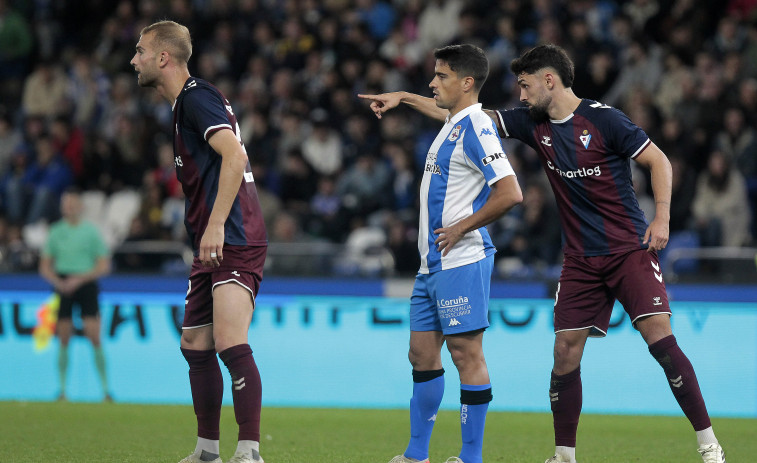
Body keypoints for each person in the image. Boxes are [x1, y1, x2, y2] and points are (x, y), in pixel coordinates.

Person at [359, 44, 726, 463]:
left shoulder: (604, 119)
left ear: (549, 80)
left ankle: (708, 444)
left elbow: (659, 161)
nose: (520, 95)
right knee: (565, 351)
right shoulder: (532, 123)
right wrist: (404, 99)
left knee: (659, 340)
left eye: (525, 85)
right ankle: (564, 455)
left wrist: (661, 219)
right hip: (580, 259)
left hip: (629, 250)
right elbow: (461, 118)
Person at [365, 44, 523, 463]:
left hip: (462, 257)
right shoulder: (457, 121)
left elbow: (510, 193)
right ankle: (417, 455)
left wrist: (461, 227)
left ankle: (471, 458)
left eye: (441, 77)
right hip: (430, 263)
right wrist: (402, 98)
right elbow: (441, 113)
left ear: (466, 83)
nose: (432, 83)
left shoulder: (478, 128)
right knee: (421, 353)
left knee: (465, 354)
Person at [130, 20, 268, 463]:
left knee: (229, 341)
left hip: (233, 236)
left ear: (163, 58)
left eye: (140, 52)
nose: (134, 60)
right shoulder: (183, 106)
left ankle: (249, 451)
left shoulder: (196, 98)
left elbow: (236, 155)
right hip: (213, 240)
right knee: (195, 344)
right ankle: (208, 450)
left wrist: (214, 225)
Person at [38, 187, 112, 402]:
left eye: (71, 203)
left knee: (94, 335)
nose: (68, 207)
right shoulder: (55, 231)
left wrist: (80, 279)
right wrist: (58, 281)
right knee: (63, 337)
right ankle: (62, 390)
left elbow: (104, 265)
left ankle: (106, 390)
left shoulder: (90, 232)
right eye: (65, 204)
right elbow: (44, 266)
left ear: (80, 207)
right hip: (62, 285)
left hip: (86, 283)